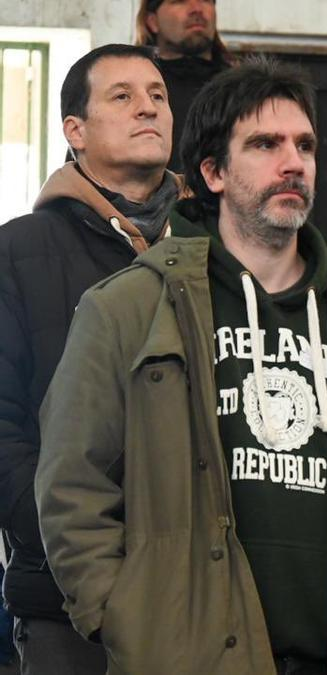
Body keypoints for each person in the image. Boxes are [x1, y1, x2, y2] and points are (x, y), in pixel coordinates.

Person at [34, 57, 327, 675]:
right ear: (213, 172)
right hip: (185, 657)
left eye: (304, 144)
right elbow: (73, 485)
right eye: (264, 144)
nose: (293, 161)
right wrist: (123, 615)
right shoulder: (130, 306)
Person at [0, 43, 179, 675]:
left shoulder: (209, 251)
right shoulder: (18, 250)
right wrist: (55, 535)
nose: (148, 109)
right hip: (65, 603)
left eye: (157, 95)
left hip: (200, 596)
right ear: (75, 130)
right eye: (122, 97)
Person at [136, 0, 233, 171]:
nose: (197, 9)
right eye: (180, 1)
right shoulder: (130, 88)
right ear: (152, 21)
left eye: (206, 0)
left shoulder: (245, 89)